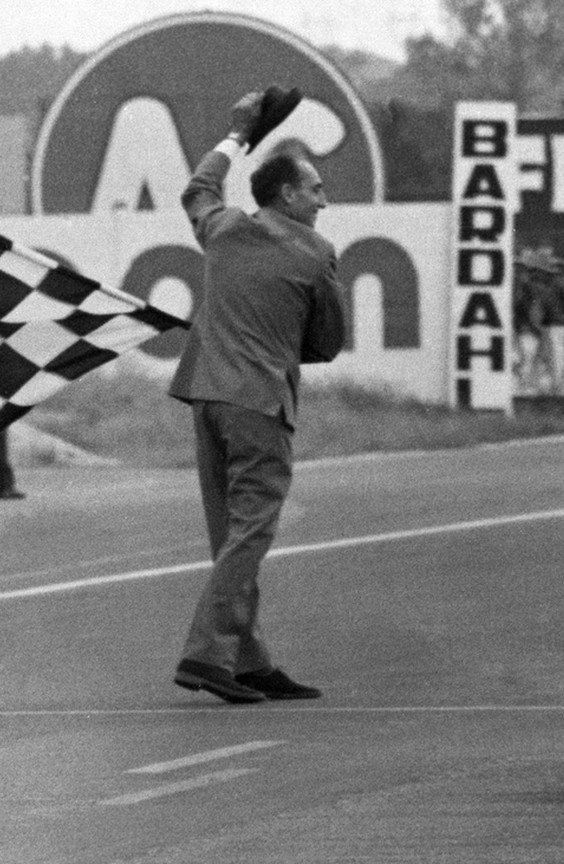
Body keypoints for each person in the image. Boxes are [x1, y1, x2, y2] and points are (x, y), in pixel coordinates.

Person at [168, 91, 346, 704]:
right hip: (260, 405)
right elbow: (327, 342)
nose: (324, 200)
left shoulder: (222, 229)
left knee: (229, 536)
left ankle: (249, 659)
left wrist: (237, 136)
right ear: (288, 196)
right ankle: (205, 653)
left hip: (205, 397)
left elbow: (198, 188)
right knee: (250, 536)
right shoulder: (314, 252)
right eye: (316, 189)